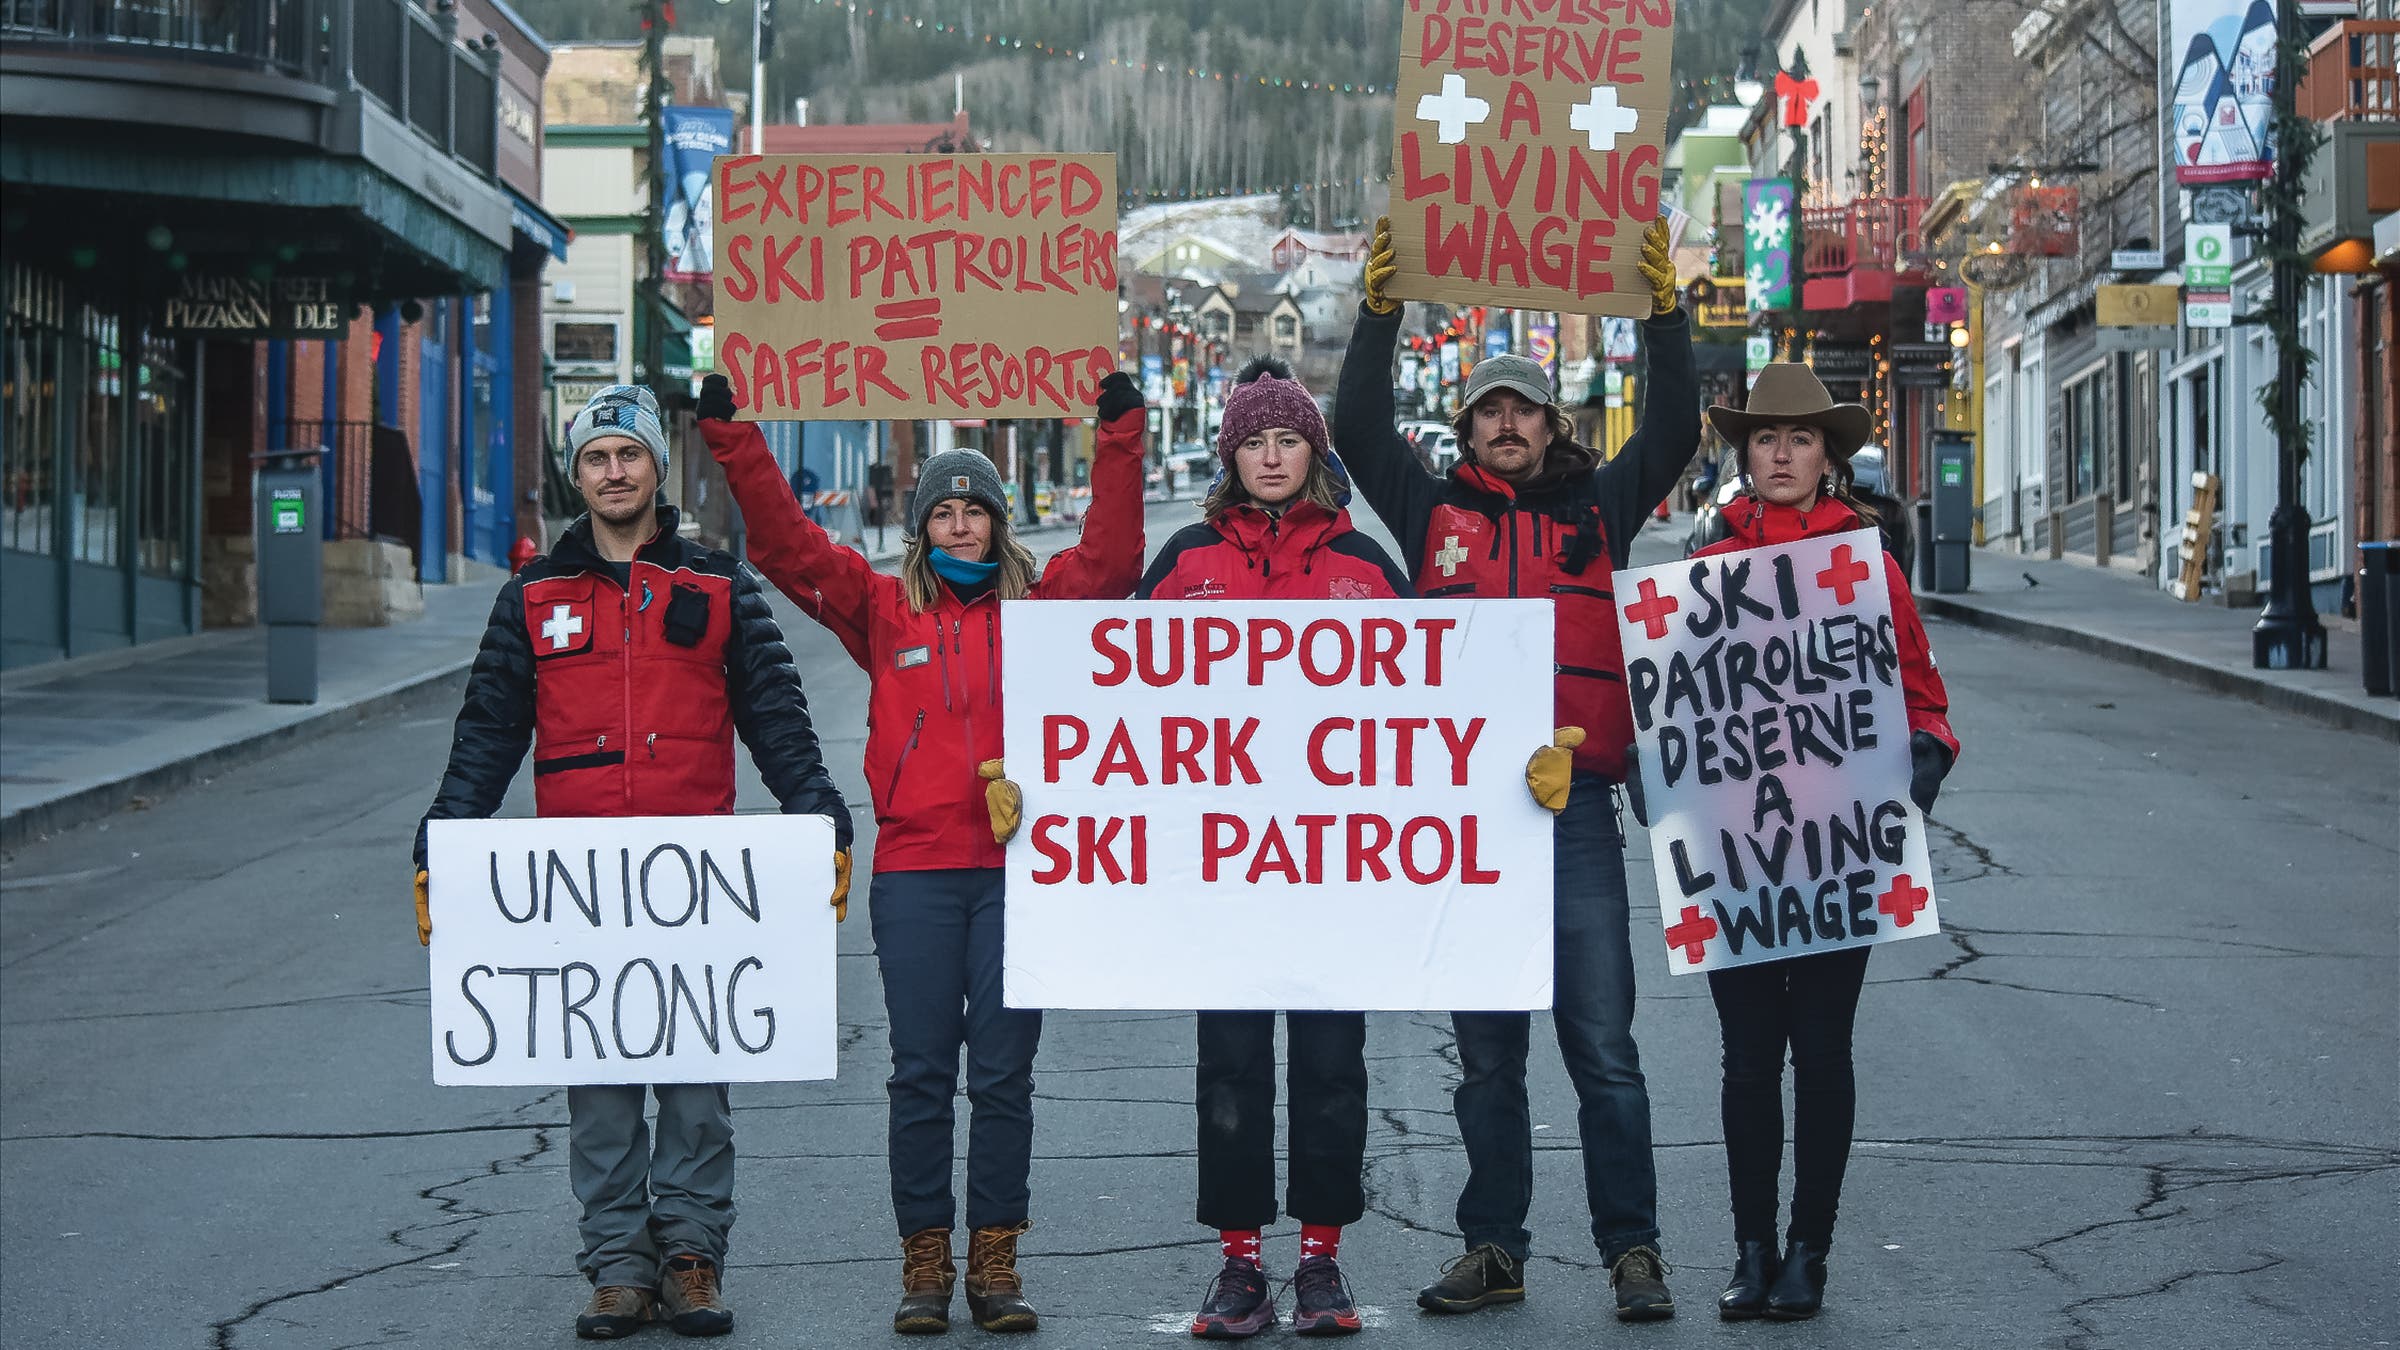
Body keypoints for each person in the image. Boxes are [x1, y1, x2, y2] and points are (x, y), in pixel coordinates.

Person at [696, 369, 1148, 1335]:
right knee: (919, 1074)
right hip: (915, 874)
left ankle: (995, 1262)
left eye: (972, 509)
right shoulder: (879, 609)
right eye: (940, 511)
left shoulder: (1044, 606)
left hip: (1021, 875)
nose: (958, 525)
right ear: (921, 527)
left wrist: (1121, 438)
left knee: (1003, 1075)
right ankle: (925, 1263)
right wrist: (733, 438)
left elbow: (1112, 559)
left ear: (997, 521)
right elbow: (786, 546)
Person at [412, 383, 854, 1341]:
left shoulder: (717, 585)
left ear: (657, 466)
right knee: (600, 1087)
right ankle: (617, 1263)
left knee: (697, 1082)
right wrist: (445, 833)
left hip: (693, 887)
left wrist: (818, 810)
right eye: (594, 459)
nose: (614, 472)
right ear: (577, 477)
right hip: (580, 892)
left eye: (629, 454)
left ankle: (692, 1257)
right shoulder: (531, 597)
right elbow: (489, 733)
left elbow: (777, 719)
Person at [1333, 214, 1700, 1322]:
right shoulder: (1429, 511)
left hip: (1579, 811)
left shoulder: (1601, 507)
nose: (1505, 423)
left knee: (1603, 1049)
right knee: (1487, 1059)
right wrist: (1379, 312)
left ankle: (1633, 1252)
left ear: (1552, 425)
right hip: (1468, 820)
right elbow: (1355, 425)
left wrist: (1666, 318)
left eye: (1522, 409)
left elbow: (1676, 429)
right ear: (1469, 427)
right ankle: (1493, 1248)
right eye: (1488, 409)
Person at [1652, 363, 1958, 1322]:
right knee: (1748, 1058)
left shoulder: (1868, 559)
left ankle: (1809, 1252)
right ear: (1744, 454)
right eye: (1765, 440)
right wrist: (1657, 775)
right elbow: (1677, 705)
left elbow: (1926, 700)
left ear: (1829, 456)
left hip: (1840, 851)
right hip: (1739, 854)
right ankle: (1750, 1250)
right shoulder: (1706, 565)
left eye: (1800, 441)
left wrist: (1921, 762)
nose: (1780, 456)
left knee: (1822, 1052)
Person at [1135, 358, 1412, 1340]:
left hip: (1338, 871)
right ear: (1230, 454)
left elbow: (1429, 715)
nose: (1270, 456)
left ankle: (1324, 1264)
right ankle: (1242, 1266)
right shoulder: (1182, 564)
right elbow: (1119, 705)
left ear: (1315, 451)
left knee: (1335, 1065)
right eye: (1252, 440)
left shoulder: (1369, 570)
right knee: (1233, 1067)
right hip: (1224, 872)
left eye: (1286, 438)